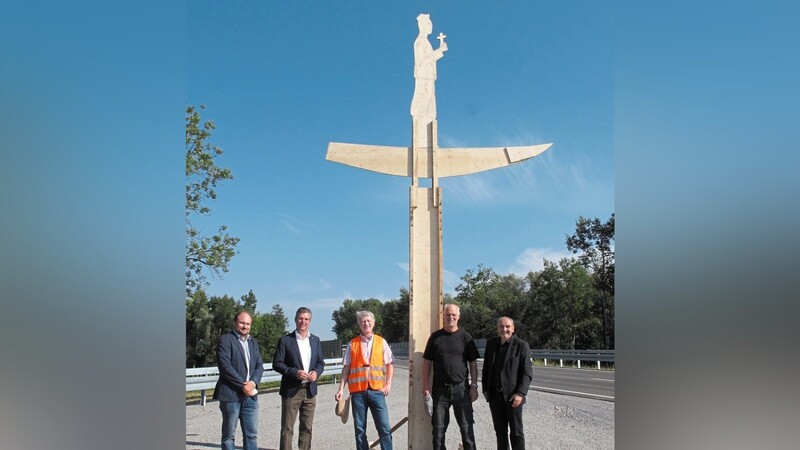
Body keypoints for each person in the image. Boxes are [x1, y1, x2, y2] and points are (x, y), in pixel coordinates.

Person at [422, 303, 480, 450]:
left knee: (467, 431)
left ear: (458, 316)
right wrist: (426, 389)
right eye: (448, 314)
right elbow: (427, 364)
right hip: (440, 391)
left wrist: (474, 386)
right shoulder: (435, 338)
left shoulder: (466, 337)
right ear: (443, 315)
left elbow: (473, 364)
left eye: (453, 315)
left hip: (461, 390)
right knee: (438, 433)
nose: (450, 317)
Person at [335, 311, 395, 450]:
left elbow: (389, 364)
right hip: (358, 393)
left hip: (377, 392)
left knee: (384, 428)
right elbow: (346, 369)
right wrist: (341, 389)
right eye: (363, 321)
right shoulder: (352, 344)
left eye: (368, 321)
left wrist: (388, 384)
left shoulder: (381, 342)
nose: (366, 323)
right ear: (359, 324)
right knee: (360, 430)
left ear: (373, 323)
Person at [273, 307, 326, 450]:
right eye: (301, 318)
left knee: (307, 428)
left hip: (309, 391)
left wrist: (316, 373)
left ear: (310, 321)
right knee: (287, 428)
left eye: (306, 319)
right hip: (292, 391)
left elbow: (321, 362)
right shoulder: (286, 340)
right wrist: (294, 372)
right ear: (295, 320)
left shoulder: (315, 340)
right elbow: (277, 364)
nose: (303, 321)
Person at [213, 311, 264, 450]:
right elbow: (225, 367)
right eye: (242, 323)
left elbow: (259, 366)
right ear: (235, 323)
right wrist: (244, 385)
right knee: (229, 436)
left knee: (251, 435)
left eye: (248, 324)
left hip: (250, 397)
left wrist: (252, 383)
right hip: (231, 395)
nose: (245, 326)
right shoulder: (225, 340)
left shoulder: (253, 342)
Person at [481, 317, 533, 450]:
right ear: (498, 328)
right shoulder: (491, 344)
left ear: (513, 328)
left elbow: (527, 373)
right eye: (501, 327)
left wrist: (520, 393)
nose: (505, 329)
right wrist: (486, 390)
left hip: (513, 397)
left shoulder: (521, 345)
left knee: (516, 433)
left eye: (507, 326)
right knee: (500, 433)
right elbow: (486, 369)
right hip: (495, 397)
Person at [410, 13, 447, 130]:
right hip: (423, 77)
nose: (431, 27)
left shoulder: (425, 41)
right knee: (423, 100)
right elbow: (423, 61)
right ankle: (421, 123)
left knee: (429, 102)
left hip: (428, 77)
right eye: (428, 24)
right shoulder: (420, 42)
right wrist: (439, 51)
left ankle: (426, 122)